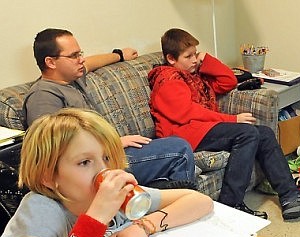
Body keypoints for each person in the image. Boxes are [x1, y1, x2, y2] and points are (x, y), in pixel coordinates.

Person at [0, 109, 214, 237]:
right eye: (84, 162)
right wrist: (96, 217)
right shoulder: (41, 208)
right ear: (48, 177)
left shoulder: (114, 196)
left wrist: (143, 226)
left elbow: (199, 201)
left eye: (107, 157)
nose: (105, 172)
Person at [148, 28, 300, 220]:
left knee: (265, 133)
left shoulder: (194, 76)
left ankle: (291, 197)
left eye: (195, 54)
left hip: (200, 129)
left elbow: (228, 81)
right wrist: (232, 119)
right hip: (183, 136)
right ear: (171, 59)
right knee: (247, 133)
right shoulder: (168, 79)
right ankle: (231, 203)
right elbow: (186, 112)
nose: (194, 60)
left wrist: (206, 59)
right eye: (188, 56)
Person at [24, 28, 197, 189]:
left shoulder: (71, 78)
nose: (81, 59)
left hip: (109, 152)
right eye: (74, 55)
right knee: (179, 150)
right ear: (51, 62)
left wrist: (119, 55)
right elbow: (53, 151)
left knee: (176, 144)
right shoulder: (43, 96)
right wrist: (112, 144)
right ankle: (172, 208)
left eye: (80, 53)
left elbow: (91, 63)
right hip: (96, 165)